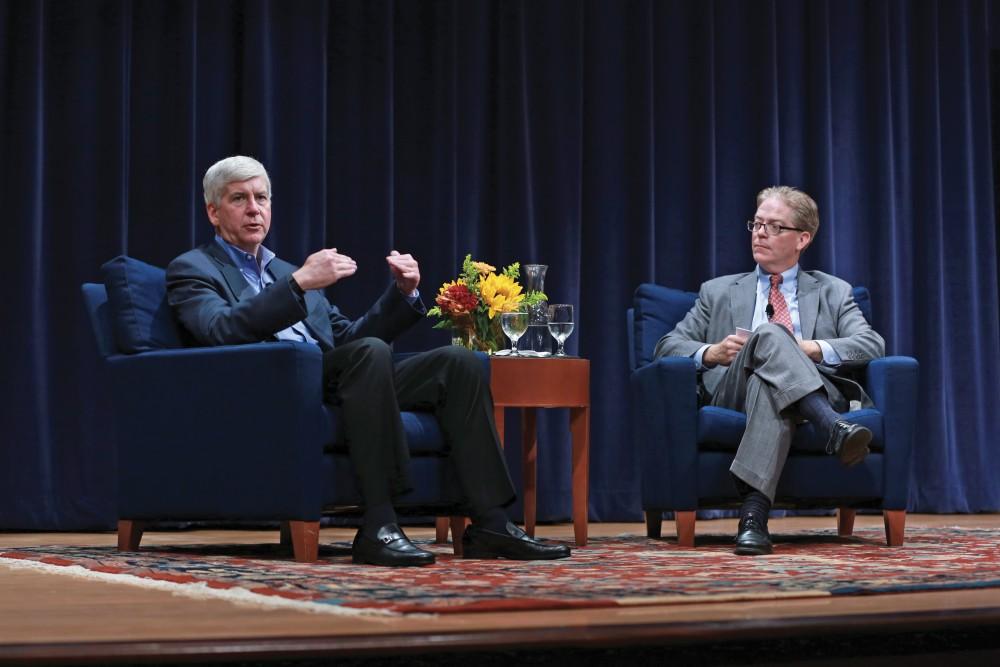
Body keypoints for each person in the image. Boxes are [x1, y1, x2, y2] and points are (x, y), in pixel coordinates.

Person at [166, 155, 570, 567]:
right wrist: (299, 283)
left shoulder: (286, 270)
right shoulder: (195, 268)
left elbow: (348, 338)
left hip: (338, 375)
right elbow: (219, 329)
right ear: (213, 212)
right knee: (369, 356)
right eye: (239, 198)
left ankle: (491, 523)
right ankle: (379, 523)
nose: (254, 208)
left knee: (458, 362)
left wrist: (402, 295)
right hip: (274, 384)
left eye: (262, 197)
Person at [655, 186, 884, 556]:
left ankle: (754, 519)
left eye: (775, 227)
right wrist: (711, 352)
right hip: (733, 394)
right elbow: (666, 347)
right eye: (757, 224)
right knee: (769, 335)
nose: (760, 233)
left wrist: (810, 348)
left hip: (799, 386)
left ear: (802, 239)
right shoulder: (717, 292)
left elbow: (872, 344)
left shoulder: (834, 291)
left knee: (769, 377)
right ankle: (831, 426)